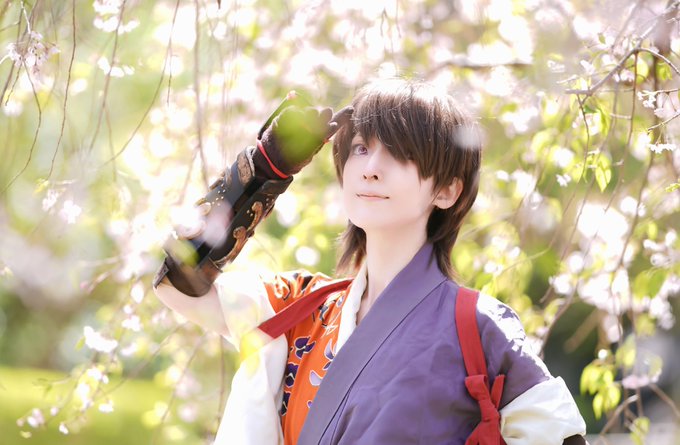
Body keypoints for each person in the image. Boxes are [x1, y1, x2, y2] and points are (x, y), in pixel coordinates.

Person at [153, 79, 588, 444]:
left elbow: (559, 436)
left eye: (400, 153)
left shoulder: (478, 325)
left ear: (446, 191)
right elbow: (178, 285)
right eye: (360, 149)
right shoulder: (300, 307)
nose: (371, 168)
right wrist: (264, 171)